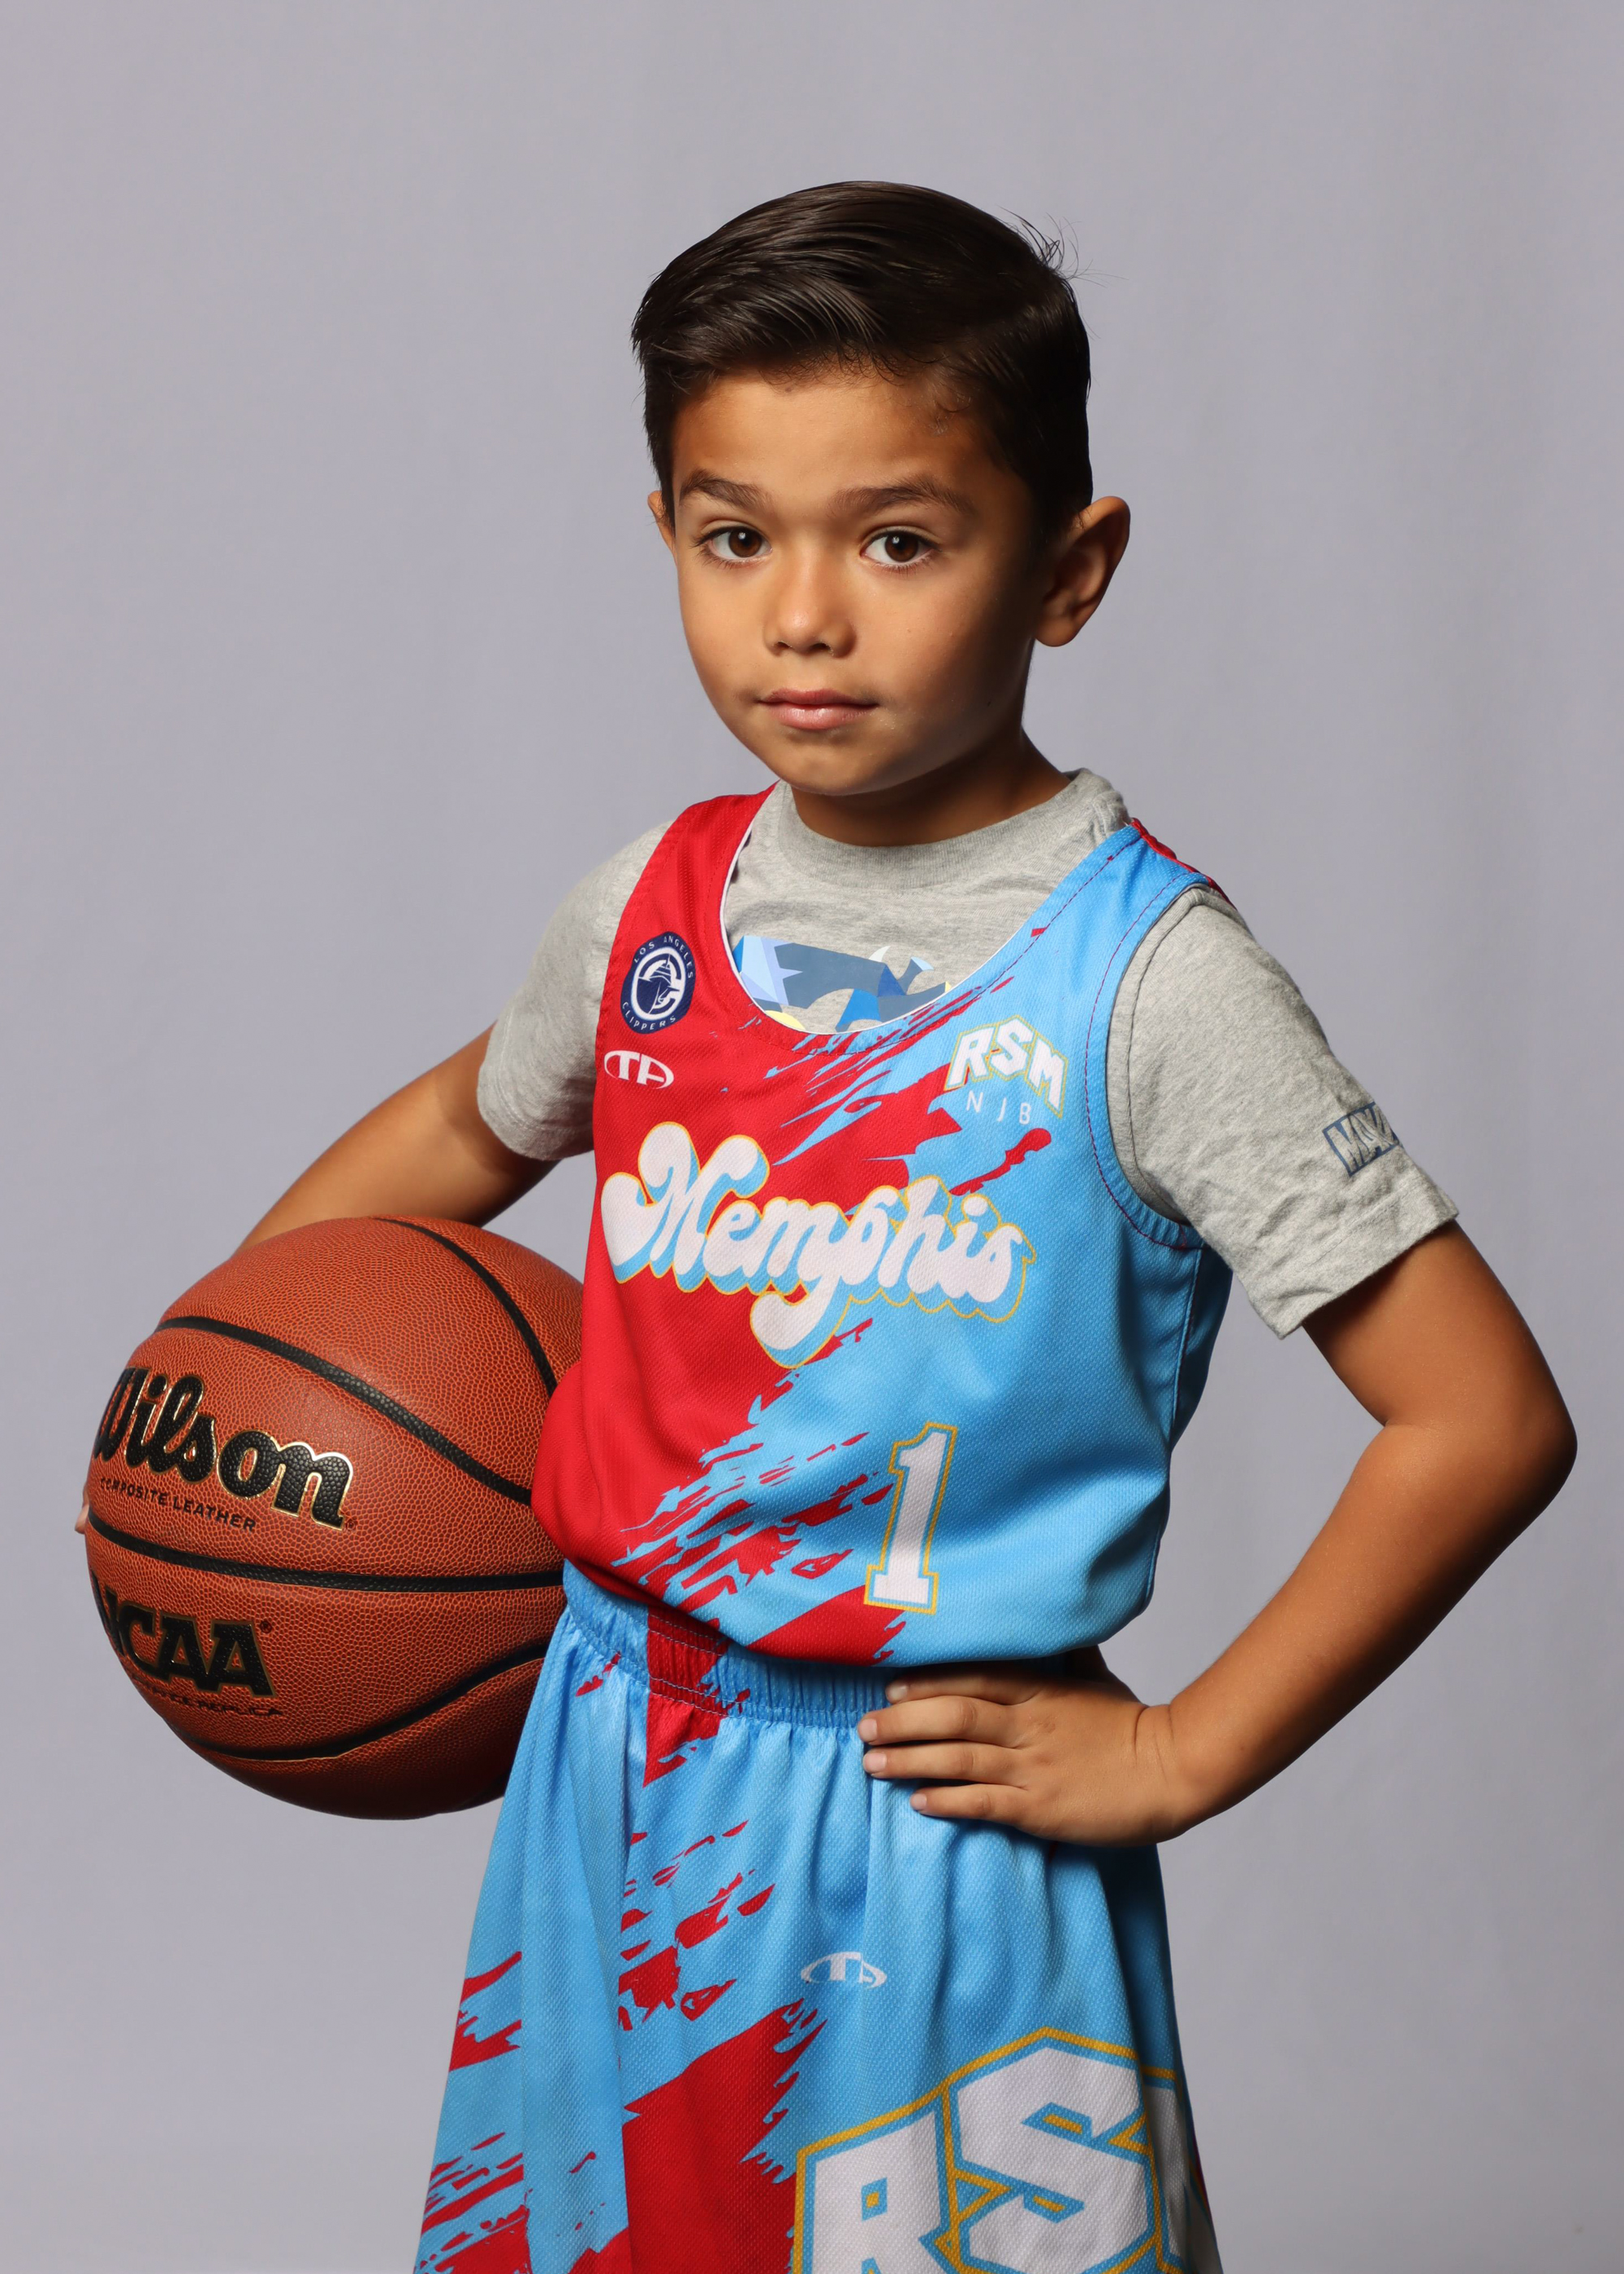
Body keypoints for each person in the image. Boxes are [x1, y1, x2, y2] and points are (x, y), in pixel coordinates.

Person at [244, 183, 1574, 2274]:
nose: (801, 617)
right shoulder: (649, 911)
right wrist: (218, 1375)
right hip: (613, 1751)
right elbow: (456, 1124)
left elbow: (1481, 1417)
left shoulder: (1146, 983)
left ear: (1068, 570)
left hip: (937, 1799)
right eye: (732, 535)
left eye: (897, 541)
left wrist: (1183, 1746)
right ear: (666, 531)